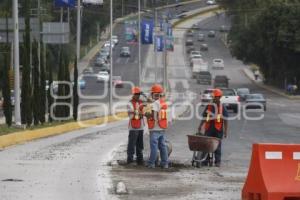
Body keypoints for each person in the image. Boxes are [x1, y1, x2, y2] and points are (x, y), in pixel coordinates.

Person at [198, 88, 228, 167]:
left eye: (215, 97)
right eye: (213, 97)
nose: (214, 98)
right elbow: (204, 117)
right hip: (209, 128)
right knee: (207, 145)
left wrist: (225, 131)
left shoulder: (222, 107)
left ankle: (217, 161)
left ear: (219, 97)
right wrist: (200, 126)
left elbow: (225, 120)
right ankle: (205, 160)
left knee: (217, 145)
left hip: (218, 129)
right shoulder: (209, 106)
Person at [145, 84, 169, 169]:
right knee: (162, 146)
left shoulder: (155, 104)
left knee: (154, 147)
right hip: (162, 128)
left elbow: (150, 115)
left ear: (154, 94)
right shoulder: (163, 103)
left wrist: (148, 104)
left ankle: (151, 163)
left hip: (155, 128)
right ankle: (165, 163)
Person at [127, 86, 145, 165]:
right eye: (136, 94)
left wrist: (144, 95)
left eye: (138, 94)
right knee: (132, 144)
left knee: (140, 145)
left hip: (141, 126)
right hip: (133, 127)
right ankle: (130, 160)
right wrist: (139, 112)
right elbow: (131, 112)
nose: (137, 95)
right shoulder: (130, 103)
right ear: (133, 94)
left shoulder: (141, 102)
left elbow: (147, 106)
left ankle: (140, 160)